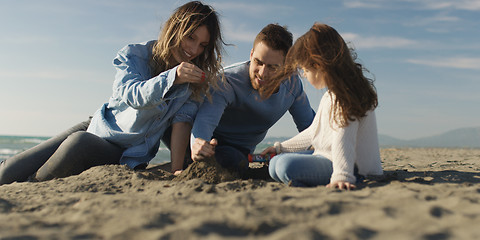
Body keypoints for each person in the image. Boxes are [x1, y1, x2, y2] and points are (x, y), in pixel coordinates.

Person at [0, 1, 225, 185]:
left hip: (123, 150)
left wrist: (177, 170)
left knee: (78, 144)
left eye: (203, 45)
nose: (194, 50)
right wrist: (171, 76)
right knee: (8, 170)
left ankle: (35, 183)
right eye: (191, 37)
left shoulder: (192, 81)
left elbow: (182, 122)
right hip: (98, 124)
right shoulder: (135, 55)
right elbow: (131, 94)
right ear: (175, 30)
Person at [261, 23, 383, 190]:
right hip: (329, 157)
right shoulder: (330, 95)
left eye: (305, 70)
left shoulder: (344, 96)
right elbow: (314, 132)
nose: (304, 74)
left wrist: (342, 175)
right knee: (275, 164)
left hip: (353, 168)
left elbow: (344, 138)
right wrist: (280, 148)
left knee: (283, 166)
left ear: (318, 65)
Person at [191, 24, 316, 174]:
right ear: (251, 55)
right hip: (212, 144)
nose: (263, 73)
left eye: (272, 67)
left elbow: (311, 129)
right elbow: (205, 121)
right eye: (258, 62)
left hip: (244, 152)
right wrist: (199, 145)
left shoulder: (292, 84)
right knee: (229, 157)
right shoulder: (228, 81)